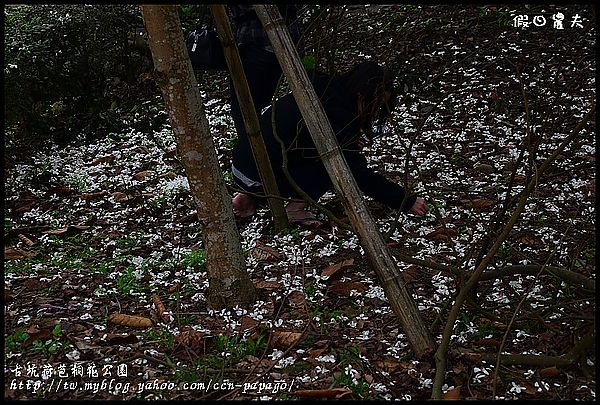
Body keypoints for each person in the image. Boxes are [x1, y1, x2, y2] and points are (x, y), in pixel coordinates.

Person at [231, 61, 428, 225]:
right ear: (361, 95)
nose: (375, 112)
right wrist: (405, 200)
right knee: (333, 163)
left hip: (242, 166)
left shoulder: (321, 88)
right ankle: (295, 209)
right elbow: (357, 174)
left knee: (292, 151)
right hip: (262, 176)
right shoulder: (337, 118)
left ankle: (248, 198)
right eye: (375, 105)